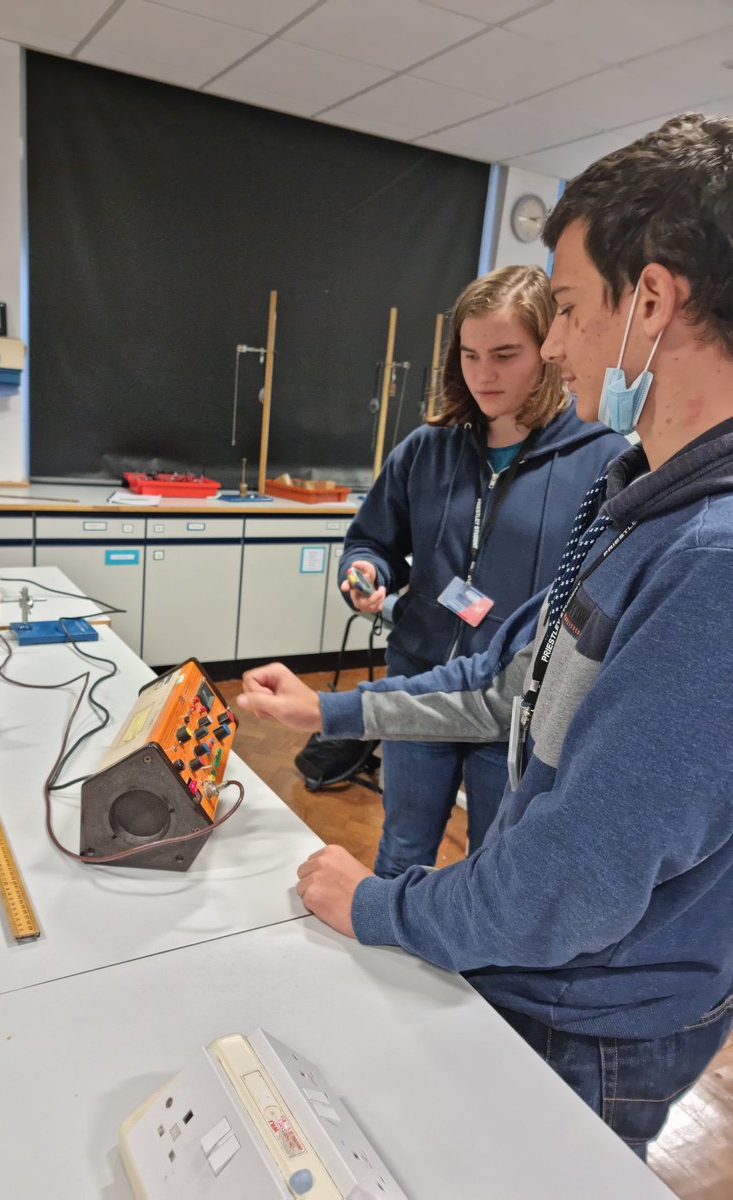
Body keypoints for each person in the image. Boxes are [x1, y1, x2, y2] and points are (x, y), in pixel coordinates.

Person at [239, 112, 733, 1159]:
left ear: (651, 299)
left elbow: (567, 886)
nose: (554, 348)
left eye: (562, 311)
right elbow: (508, 682)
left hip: (595, 1015)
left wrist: (381, 906)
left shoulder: (713, 561)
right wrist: (330, 709)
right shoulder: (640, 497)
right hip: (551, 965)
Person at [338, 265, 626, 876]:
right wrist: (365, 569)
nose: (483, 374)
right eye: (469, 354)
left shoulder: (605, 460)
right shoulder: (426, 448)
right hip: (420, 684)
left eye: (504, 354)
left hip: (517, 704)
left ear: (548, 351)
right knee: (401, 853)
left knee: (493, 866)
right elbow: (372, 540)